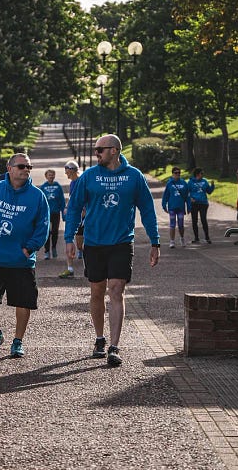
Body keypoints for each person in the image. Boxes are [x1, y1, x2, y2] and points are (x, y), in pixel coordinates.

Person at [64, 134, 160, 367]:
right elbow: (74, 207)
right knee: (97, 292)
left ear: (114, 150)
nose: (96, 153)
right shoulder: (89, 176)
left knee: (116, 290)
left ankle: (114, 347)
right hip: (94, 243)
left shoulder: (134, 176)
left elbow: (147, 209)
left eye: (100, 150)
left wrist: (155, 241)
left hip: (121, 243)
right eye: (95, 150)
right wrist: (69, 238)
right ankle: (100, 338)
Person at [0, 153, 49, 358]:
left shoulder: (37, 196)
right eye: (22, 166)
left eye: (29, 167)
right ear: (9, 168)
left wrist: (29, 249)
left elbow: (42, 226)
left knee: (23, 302)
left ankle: (18, 341)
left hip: (21, 261)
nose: (26, 170)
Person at [59, 160, 82, 279]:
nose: (65, 173)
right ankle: (70, 269)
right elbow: (72, 198)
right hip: (75, 215)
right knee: (69, 240)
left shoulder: (81, 181)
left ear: (73, 170)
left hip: (84, 216)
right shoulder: (73, 182)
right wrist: (67, 207)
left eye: (67, 171)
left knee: (81, 244)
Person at [39, 168, 66, 260]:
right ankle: (46, 251)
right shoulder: (43, 187)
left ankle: (54, 247)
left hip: (55, 213)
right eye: (49, 175)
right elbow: (40, 201)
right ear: (46, 176)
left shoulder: (58, 186)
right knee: (47, 232)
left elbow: (62, 200)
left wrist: (63, 214)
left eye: (52, 175)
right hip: (46, 214)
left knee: (55, 231)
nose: (51, 176)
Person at [161, 167, 190, 249]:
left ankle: (182, 238)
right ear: (172, 174)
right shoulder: (169, 183)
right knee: (172, 224)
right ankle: (172, 241)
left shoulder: (184, 183)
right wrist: (164, 205)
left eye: (179, 173)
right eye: (176, 173)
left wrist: (189, 206)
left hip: (180, 207)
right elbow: (166, 195)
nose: (178, 174)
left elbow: (187, 196)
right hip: (172, 207)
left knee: (181, 224)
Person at [187, 167, 215, 244]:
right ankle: (196, 238)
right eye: (201, 173)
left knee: (203, 219)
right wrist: (190, 198)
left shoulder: (204, 181)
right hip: (194, 204)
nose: (203, 175)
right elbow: (186, 192)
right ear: (197, 174)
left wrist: (212, 186)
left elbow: (209, 191)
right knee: (194, 220)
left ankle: (207, 237)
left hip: (203, 203)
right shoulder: (190, 182)